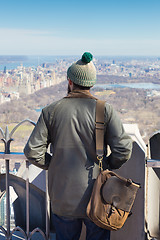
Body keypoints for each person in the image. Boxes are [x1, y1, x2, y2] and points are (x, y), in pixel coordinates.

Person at [24, 52, 132, 240]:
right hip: (98, 195)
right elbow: (124, 149)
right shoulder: (104, 110)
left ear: (70, 81)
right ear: (92, 83)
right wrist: (106, 165)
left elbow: (32, 151)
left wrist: (53, 163)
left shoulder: (51, 111)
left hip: (62, 196)